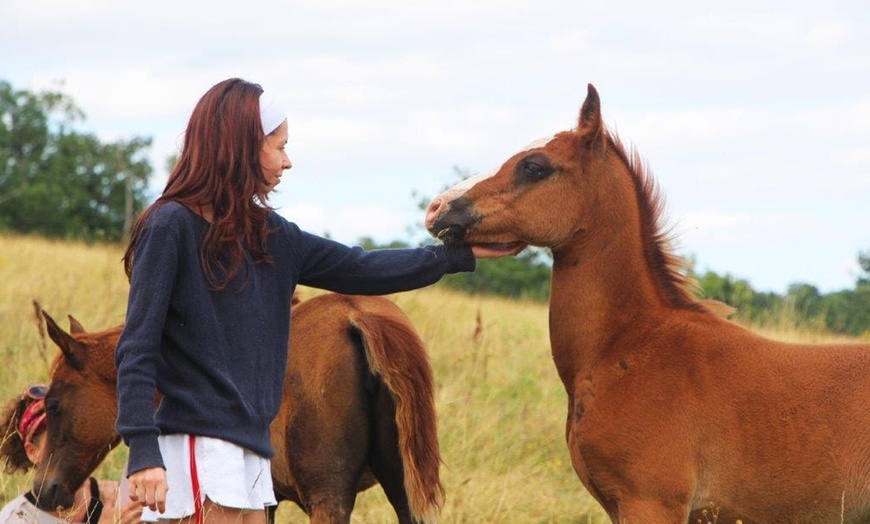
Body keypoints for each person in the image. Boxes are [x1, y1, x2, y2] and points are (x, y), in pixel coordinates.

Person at [115, 77, 522, 524]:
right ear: (241, 147)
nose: (287, 162)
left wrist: (455, 256)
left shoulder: (271, 236)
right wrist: (143, 450)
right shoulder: (170, 226)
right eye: (279, 146)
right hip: (198, 446)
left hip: (252, 452)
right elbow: (137, 348)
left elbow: (362, 267)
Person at [0, 384, 143, 524]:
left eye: (77, 437)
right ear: (32, 452)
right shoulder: (15, 518)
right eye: (60, 440)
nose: (73, 450)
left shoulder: (120, 498)